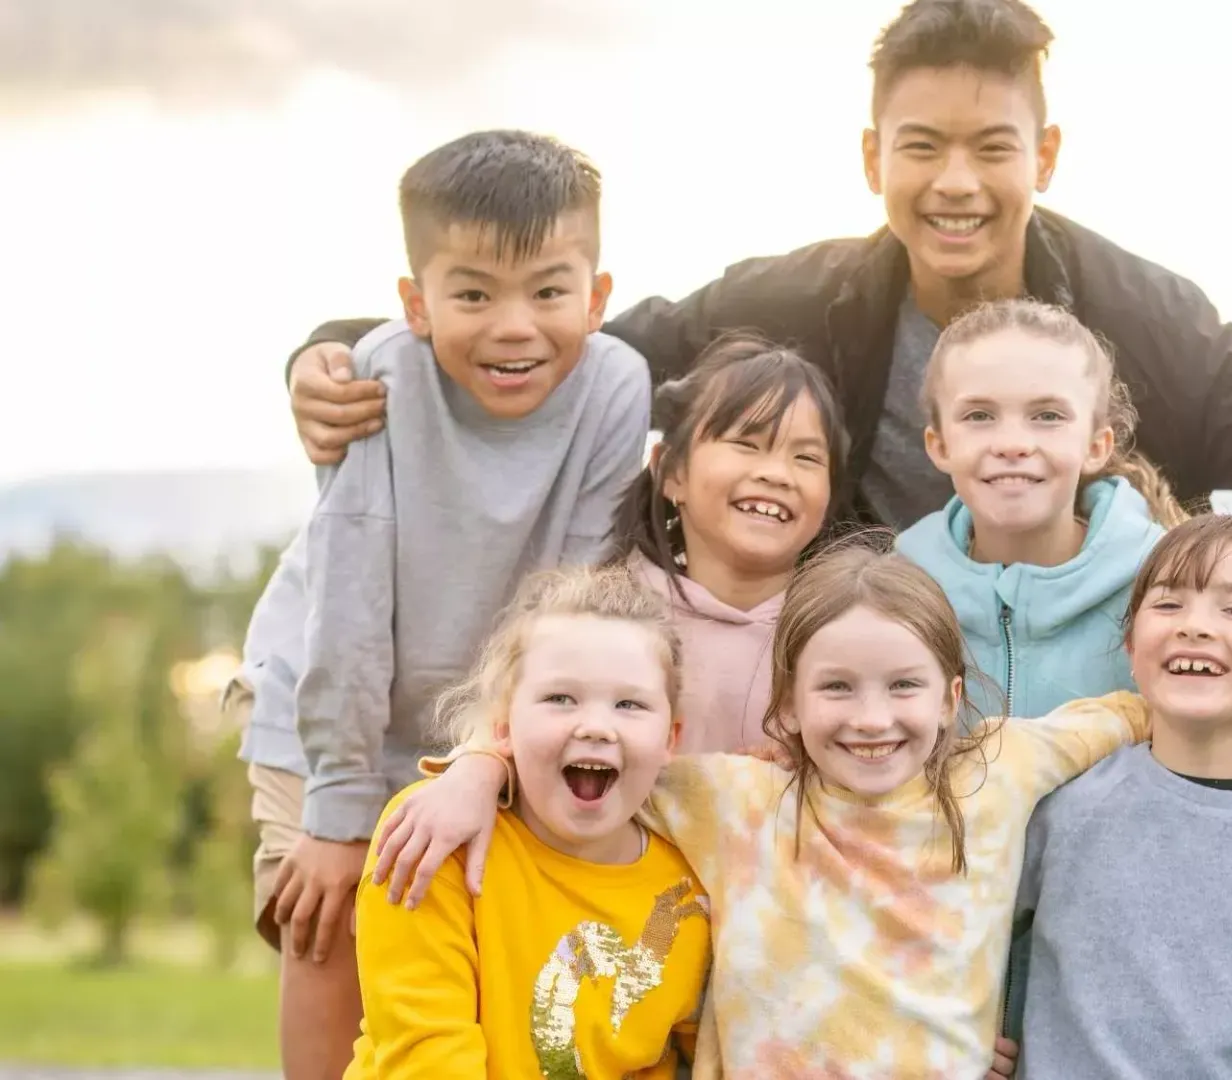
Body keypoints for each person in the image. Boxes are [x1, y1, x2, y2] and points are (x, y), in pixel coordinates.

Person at [274, 0, 1232, 637]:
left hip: (1089, 676)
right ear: (873, 159)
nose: (957, 183)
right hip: (857, 675)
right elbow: (573, 348)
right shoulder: (798, 297)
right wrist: (337, 348)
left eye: (993, 146)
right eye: (923, 147)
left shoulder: (1149, 318)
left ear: (1049, 152)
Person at [365, 542, 1156, 1078]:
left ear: (953, 699)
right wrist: (475, 764)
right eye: (837, 688)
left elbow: (1133, 710)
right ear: (789, 705)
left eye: (904, 687)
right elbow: (587, 759)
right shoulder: (732, 801)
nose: (871, 718)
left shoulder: (1005, 766)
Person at [226, 128, 653, 1078]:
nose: (514, 327)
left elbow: (571, 607)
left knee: (466, 935)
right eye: (472, 294)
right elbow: (346, 605)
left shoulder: (617, 386)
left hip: (494, 708)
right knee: (329, 914)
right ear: (418, 304)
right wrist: (339, 815)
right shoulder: (378, 376)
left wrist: (485, 757)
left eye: (549, 291)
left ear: (598, 295)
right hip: (327, 703)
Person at [345, 565, 709, 1078]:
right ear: (503, 728)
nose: (596, 726)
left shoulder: (687, 890)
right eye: (560, 698)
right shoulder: (434, 836)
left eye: (629, 703)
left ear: (670, 738)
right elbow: (426, 1053)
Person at [897, 298, 1180, 721]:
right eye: (979, 415)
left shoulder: (1165, 588)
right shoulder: (896, 593)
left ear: (1096, 446)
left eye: (1047, 415)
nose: (1012, 443)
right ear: (939, 445)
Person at [603, 333, 848, 754]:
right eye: (745, 444)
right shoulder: (601, 618)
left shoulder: (850, 629)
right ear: (672, 471)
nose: (777, 473)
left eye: (806, 458)